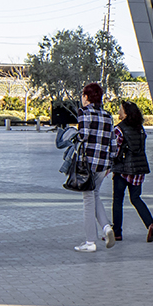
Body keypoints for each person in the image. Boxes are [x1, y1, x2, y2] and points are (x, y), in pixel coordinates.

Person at [57, 83, 116, 252]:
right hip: (103, 164)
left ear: (86, 97)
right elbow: (113, 141)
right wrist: (110, 162)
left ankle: (90, 241)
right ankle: (106, 227)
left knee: (88, 201)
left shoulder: (83, 113)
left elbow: (82, 136)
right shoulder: (107, 115)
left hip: (87, 163)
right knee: (95, 194)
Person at [111, 100, 153, 243]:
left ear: (126, 113)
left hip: (123, 169)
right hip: (139, 169)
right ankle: (150, 224)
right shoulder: (140, 128)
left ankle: (117, 232)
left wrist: (110, 165)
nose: (118, 112)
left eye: (120, 110)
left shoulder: (119, 129)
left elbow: (115, 150)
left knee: (118, 200)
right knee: (136, 198)